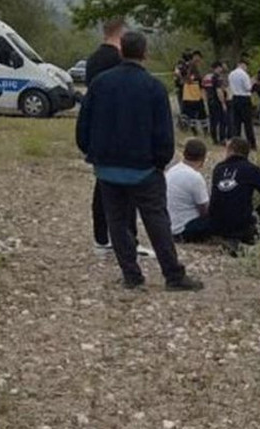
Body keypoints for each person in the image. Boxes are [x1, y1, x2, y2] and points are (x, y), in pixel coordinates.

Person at [77, 31, 203, 292]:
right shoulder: (154, 87)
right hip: (144, 168)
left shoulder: (100, 83)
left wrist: (93, 153)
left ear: (121, 51)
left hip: (107, 167)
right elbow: (164, 133)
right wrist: (160, 162)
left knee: (117, 222)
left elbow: (83, 125)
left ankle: (131, 275)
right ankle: (173, 275)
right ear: (145, 53)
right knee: (157, 221)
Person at [84, 18, 153, 258]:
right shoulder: (118, 61)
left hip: (100, 134)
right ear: (121, 35)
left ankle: (102, 237)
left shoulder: (92, 60)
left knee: (102, 187)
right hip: (123, 132)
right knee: (127, 192)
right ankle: (127, 239)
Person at [209, 138, 260, 247]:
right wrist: (259, 212)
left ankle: (226, 239)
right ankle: (239, 242)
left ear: (230, 150)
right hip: (241, 225)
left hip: (215, 224)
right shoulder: (251, 169)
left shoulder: (218, 169)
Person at [167, 139, 210, 243]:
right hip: (184, 228)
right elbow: (204, 209)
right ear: (203, 158)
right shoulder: (195, 177)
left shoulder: (171, 171)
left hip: (169, 225)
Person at [228, 58, 257, 150]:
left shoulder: (231, 74)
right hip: (244, 99)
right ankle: (251, 143)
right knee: (248, 123)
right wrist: (252, 82)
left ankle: (235, 144)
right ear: (243, 65)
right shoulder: (244, 75)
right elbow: (248, 88)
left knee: (236, 123)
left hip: (235, 97)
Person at [181, 50, 207, 134]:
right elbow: (188, 78)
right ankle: (197, 130)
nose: (198, 59)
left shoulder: (196, 66)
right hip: (192, 92)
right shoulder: (190, 66)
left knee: (198, 112)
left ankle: (201, 129)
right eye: (196, 57)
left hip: (195, 92)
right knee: (196, 112)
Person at [203, 61, 228, 145]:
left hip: (211, 101)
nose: (221, 69)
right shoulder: (217, 78)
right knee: (222, 120)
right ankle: (222, 138)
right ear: (218, 68)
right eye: (220, 67)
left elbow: (204, 90)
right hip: (217, 102)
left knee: (213, 120)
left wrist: (206, 100)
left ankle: (214, 138)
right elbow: (219, 91)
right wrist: (223, 103)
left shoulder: (208, 77)